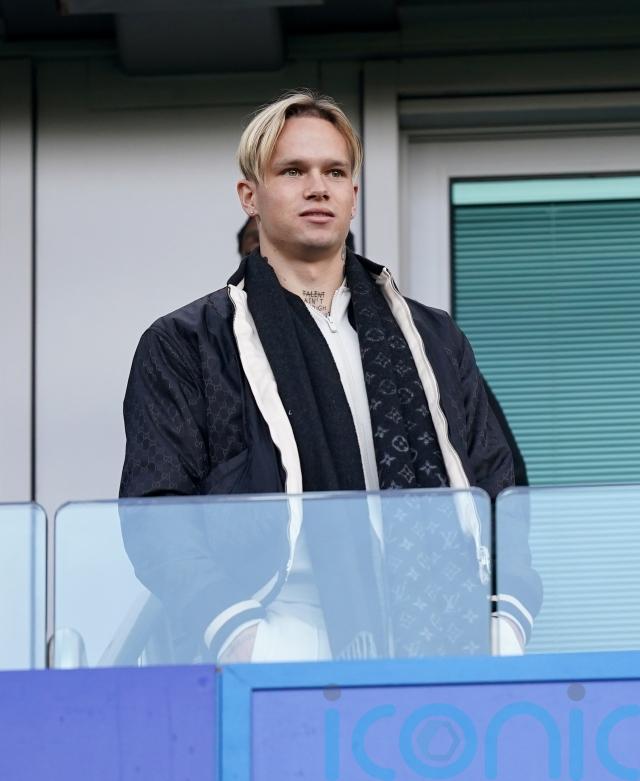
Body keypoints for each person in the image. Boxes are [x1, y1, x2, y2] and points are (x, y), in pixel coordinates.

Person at [119, 90, 541, 663]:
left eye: (335, 172)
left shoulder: (432, 338)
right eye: (293, 170)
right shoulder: (188, 342)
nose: (318, 187)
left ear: (353, 195)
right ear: (249, 195)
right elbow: (156, 515)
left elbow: (500, 488)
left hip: (440, 628)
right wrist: (241, 636)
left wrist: (506, 618)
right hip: (276, 624)